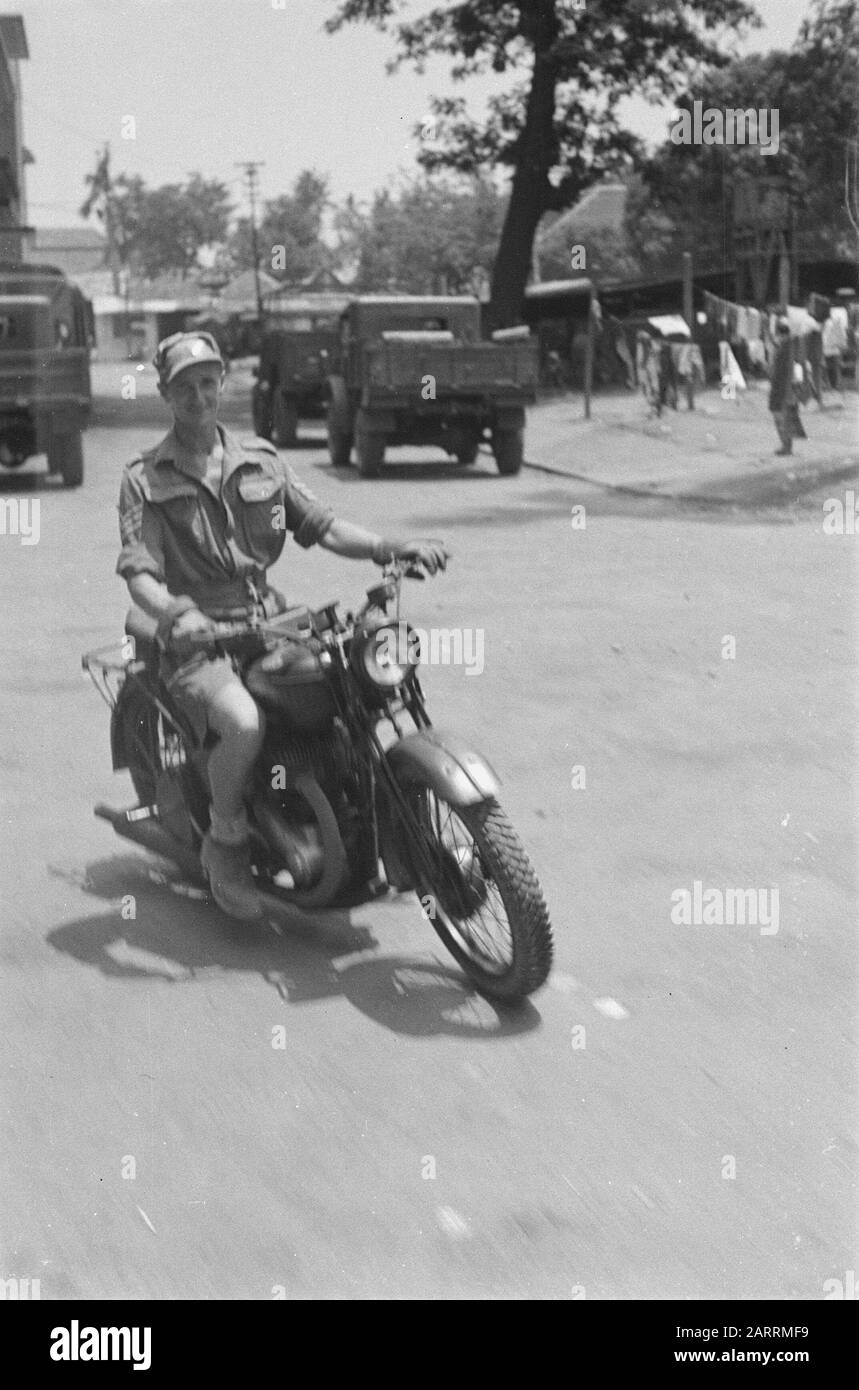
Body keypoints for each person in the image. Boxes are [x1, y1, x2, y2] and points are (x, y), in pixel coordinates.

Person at [116, 331, 448, 922]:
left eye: (208, 382)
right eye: (185, 387)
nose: (199, 396)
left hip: (271, 621)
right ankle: (226, 842)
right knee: (243, 723)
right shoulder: (145, 478)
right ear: (167, 394)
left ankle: (345, 815)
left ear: (222, 384)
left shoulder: (262, 460)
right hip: (199, 639)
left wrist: (392, 548)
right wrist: (176, 613)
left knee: (349, 690)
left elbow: (323, 525)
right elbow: (140, 573)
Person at [768, 317, 807, 457]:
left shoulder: (784, 348)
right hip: (788, 388)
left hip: (783, 389)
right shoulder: (791, 346)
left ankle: (786, 447)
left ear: (780, 333)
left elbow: (775, 369)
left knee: (782, 417)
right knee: (787, 417)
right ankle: (786, 446)